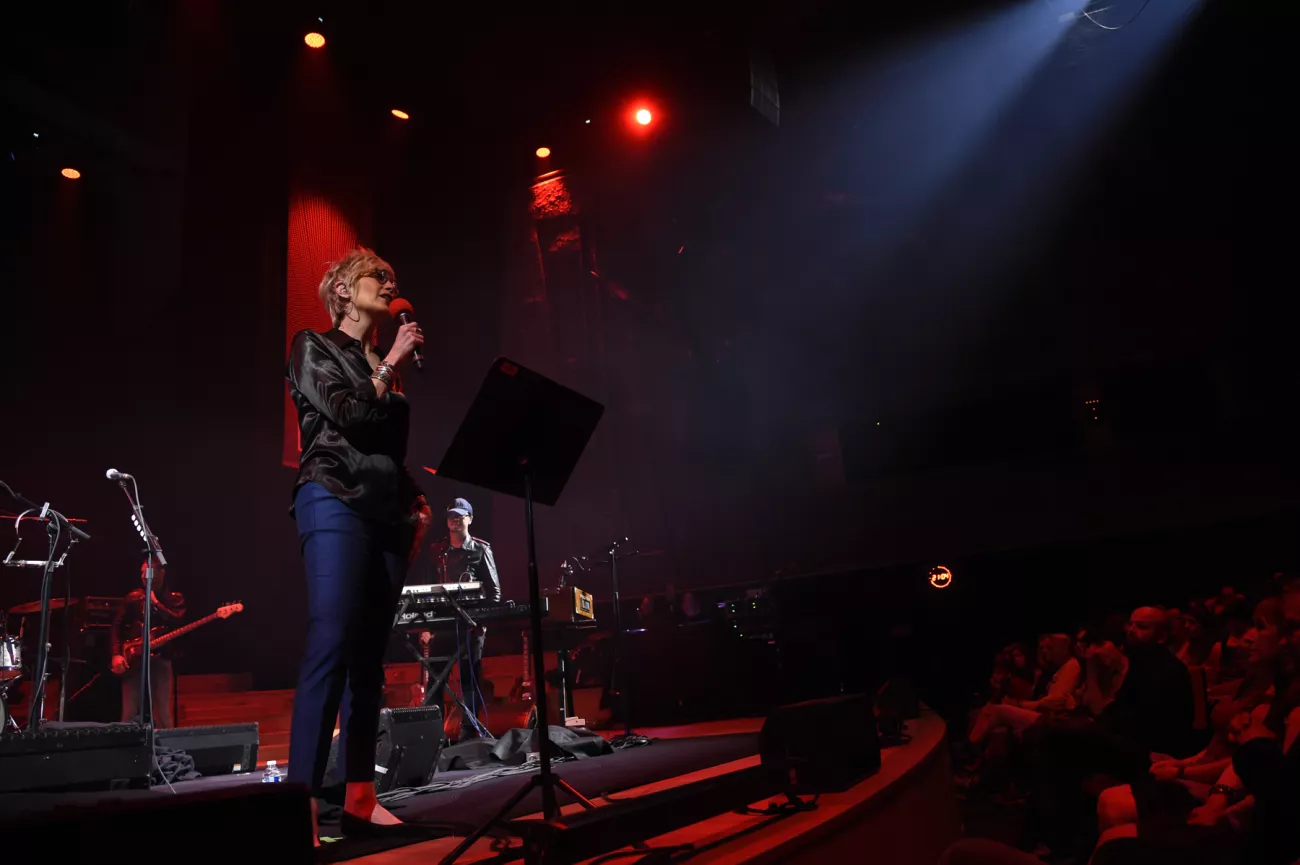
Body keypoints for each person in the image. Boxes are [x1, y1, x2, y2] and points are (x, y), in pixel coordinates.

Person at [286, 247, 431, 840]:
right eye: (378, 277)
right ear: (343, 291)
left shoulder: (385, 366)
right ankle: (299, 805)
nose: (389, 283)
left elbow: (386, 452)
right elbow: (343, 414)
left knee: (370, 659)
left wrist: (416, 501)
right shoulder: (311, 347)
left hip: (386, 515)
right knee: (332, 639)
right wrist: (389, 363)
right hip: (332, 497)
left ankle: (360, 799)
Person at [423, 497, 500, 740]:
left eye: (460, 515)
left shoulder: (481, 549)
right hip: (442, 625)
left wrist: (482, 622)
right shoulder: (437, 551)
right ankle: (433, 733)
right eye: (451, 516)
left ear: (470, 518)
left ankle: (470, 730)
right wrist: (425, 625)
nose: (455, 520)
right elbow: (427, 590)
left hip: (470, 625)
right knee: (436, 679)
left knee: (470, 679)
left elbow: (495, 592)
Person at [110, 558, 185, 728]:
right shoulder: (134, 598)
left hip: (161, 659)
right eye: (141, 572)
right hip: (134, 659)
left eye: (148, 572)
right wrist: (116, 654)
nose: (144, 576)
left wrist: (156, 604)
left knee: (163, 713)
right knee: (128, 713)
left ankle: (168, 751)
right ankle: (126, 751)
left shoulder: (175, 599)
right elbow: (116, 626)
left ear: (161, 573)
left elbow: (178, 622)